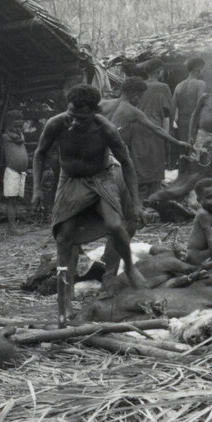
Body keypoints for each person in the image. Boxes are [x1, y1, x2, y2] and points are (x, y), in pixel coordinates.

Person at [33, 84, 148, 327]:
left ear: (95, 112)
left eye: (81, 119)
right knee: (64, 239)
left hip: (101, 177)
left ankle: (127, 266)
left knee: (116, 226)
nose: (74, 123)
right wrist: (35, 189)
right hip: (70, 180)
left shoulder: (106, 129)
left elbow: (127, 163)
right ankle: (64, 305)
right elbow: (39, 154)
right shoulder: (56, 123)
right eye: (71, 115)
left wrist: (136, 203)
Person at [99, 77, 189, 197]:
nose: (140, 99)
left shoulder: (103, 104)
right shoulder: (132, 111)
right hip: (116, 155)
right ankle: (135, 206)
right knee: (127, 185)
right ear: (135, 96)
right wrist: (177, 142)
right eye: (140, 97)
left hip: (100, 151)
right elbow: (156, 129)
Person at [132, 59, 175, 197]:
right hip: (155, 129)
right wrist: (167, 135)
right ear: (158, 71)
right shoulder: (163, 87)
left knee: (141, 162)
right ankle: (154, 197)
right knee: (156, 165)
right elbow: (168, 113)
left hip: (137, 126)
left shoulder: (139, 85)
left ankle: (140, 197)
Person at [0, 110, 29, 235]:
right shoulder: (6, 137)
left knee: (15, 200)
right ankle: (11, 227)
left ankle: (12, 226)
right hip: (12, 172)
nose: (18, 129)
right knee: (11, 201)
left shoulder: (20, 136)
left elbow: (20, 138)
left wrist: (18, 131)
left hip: (20, 173)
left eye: (20, 126)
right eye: (15, 126)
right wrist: (15, 132)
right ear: (8, 126)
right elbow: (17, 138)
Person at [172, 57, 207, 149]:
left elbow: (173, 108)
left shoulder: (178, 86)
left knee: (184, 152)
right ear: (197, 68)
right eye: (203, 68)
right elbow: (200, 106)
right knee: (196, 154)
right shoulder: (200, 84)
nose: (203, 71)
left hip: (181, 124)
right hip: (195, 124)